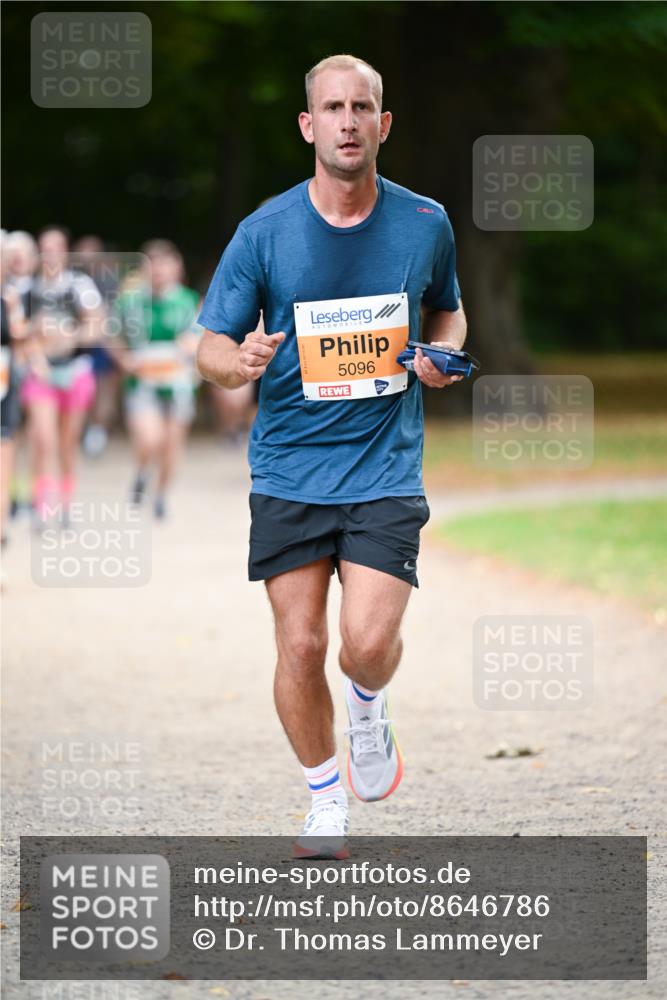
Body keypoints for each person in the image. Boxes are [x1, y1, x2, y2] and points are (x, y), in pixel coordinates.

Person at [197, 54, 467, 857]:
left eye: (362, 108)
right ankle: (323, 799)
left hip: (385, 467)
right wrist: (233, 363)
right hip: (288, 468)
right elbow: (208, 344)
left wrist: (441, 357)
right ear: (309, 126)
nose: (348, 121)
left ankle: (366, 709)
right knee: (300, 645)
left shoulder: (425, 222)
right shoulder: (265, 231)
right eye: (332, 108)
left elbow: (449, 317)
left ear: (382, 125)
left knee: (368, 645)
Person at [20, 226, 104, 526]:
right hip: (41, 372)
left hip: (74, 371)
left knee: (67, 442)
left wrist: (71, 336)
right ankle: (42, 505)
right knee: (44, 440)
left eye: (56, 246)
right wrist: (36, 347)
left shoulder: (80, 286)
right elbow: (18, 331)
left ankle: (66, 505)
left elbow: (97, 325)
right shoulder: (27, 288)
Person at [113, 240, 200, 519]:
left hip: (178, 382)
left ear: (177, 269)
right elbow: (109, 333)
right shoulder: (130, 301)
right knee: (151, 438)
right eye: (154, 266)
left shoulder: (187, 300)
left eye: (165, 265)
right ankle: (141, 471)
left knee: (172, 444)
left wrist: (193, 344)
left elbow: (204, 335)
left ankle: (161, 494)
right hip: (143, 383)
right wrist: (123, 358)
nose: (159, 272)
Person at [72, 235, 121, 459]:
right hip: (82, 345)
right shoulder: (72, 281)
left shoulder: (109, 280)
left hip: (104, 344)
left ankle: (97, 432)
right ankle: (86, 430)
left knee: (104, 392)